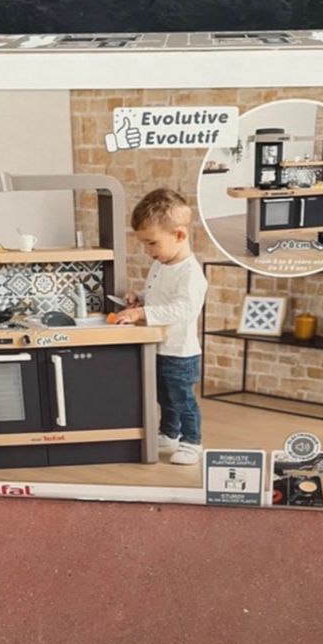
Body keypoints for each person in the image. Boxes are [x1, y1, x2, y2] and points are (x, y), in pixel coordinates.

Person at [114, 188, 208, 465]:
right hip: (159, 347)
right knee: (164, 398)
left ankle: (192, 442)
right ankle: (169, 434)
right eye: (145, 244)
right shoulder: (162, 264)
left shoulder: (190, 274)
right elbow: (160, 297)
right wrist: (140, 299)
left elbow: (183, 309)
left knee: (182, 400)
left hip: (180, 353)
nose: (148, 251)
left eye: (152, 243)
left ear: (179, 235)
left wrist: (141, 312)